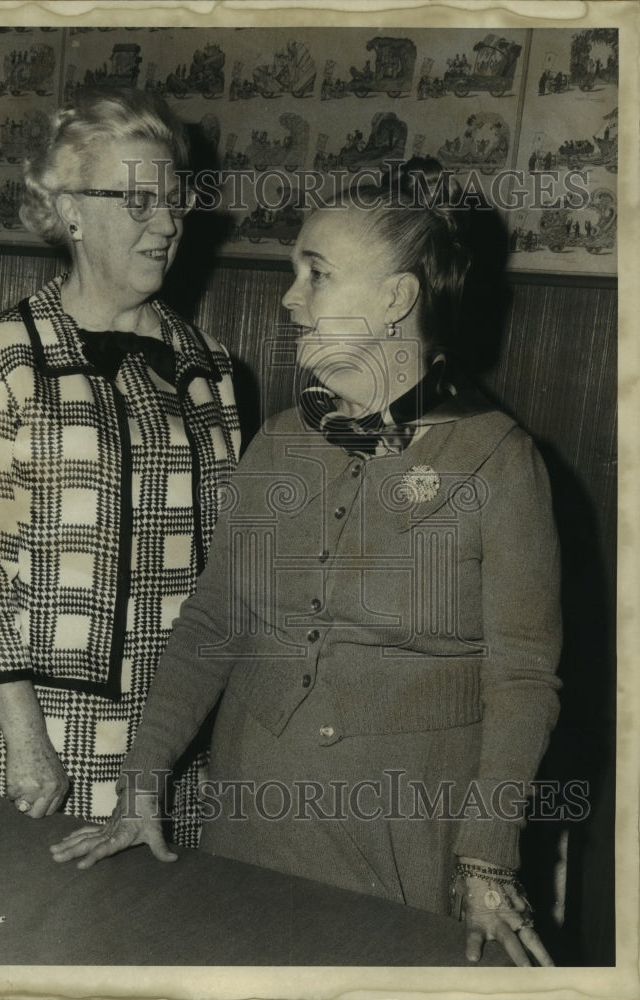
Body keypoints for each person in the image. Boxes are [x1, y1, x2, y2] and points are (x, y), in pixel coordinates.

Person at [51, 159, 562, 966]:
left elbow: (523, 679)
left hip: (399, 829)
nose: (289, 298)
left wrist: (485, 857)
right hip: (247, 815)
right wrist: (143, 776)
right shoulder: (280, 440)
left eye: (315, 275)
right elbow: (214, 622)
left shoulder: (499, 463)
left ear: (396, 300)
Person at [0, 88, 241, 847]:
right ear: (70, 209)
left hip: (173, 739)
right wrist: (28, 743)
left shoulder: (209, 367)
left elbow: (230, 564)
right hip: (42, 733)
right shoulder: (1, 354)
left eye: (174, 200)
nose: (167, 223)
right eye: (138, 200)